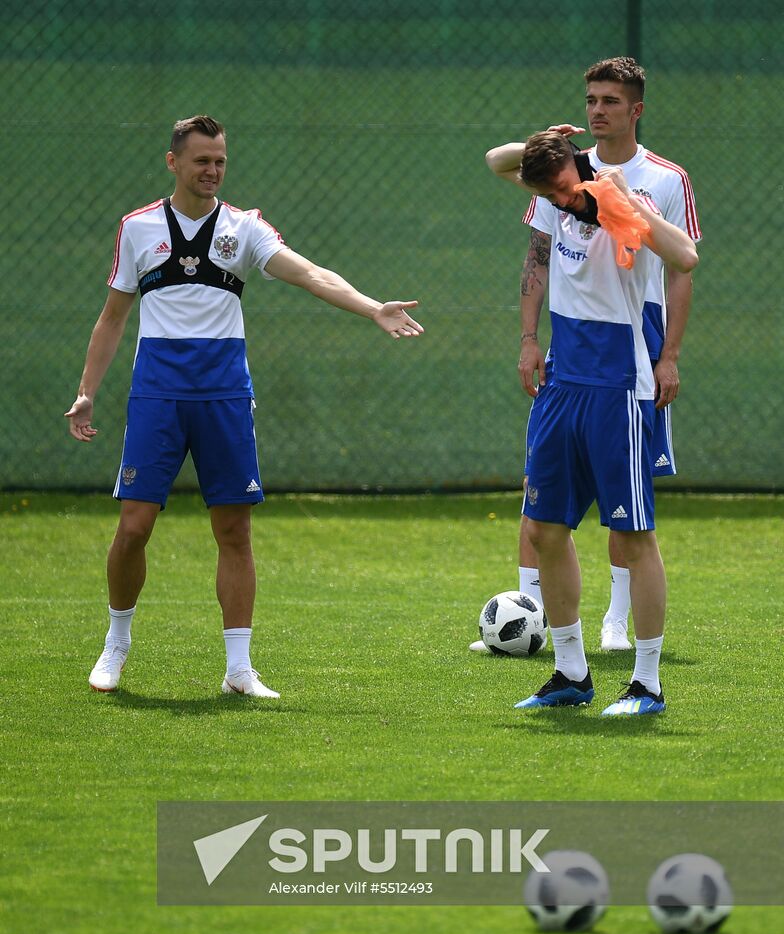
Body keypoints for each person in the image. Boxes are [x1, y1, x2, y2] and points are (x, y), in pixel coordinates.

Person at [65, 115, 423, 698]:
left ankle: (238, 669)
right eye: (202, 159)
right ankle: (117, 642)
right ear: (173, 162)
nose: (212, 170)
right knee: (133, 527)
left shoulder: (245, 229)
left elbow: (310, 274)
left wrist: (371, 306)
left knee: (234, 530)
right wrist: (87, 391)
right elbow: (112, 318)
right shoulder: (138, 228)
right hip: (157, 394)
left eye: (221, 161)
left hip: (225, 396)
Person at [475, 56, 700, 656]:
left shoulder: (655, 184)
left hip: (626, 361)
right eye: (591, 101)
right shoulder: (563, 170)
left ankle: (626, 643)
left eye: (609, 101)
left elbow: (683, 265)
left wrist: (669, 354)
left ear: (636, 109)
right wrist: (542, 146)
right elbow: (513, 196)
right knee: (545, 521)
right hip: (567, 367)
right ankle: (563, 659)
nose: (597, 111)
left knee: (629, 518)